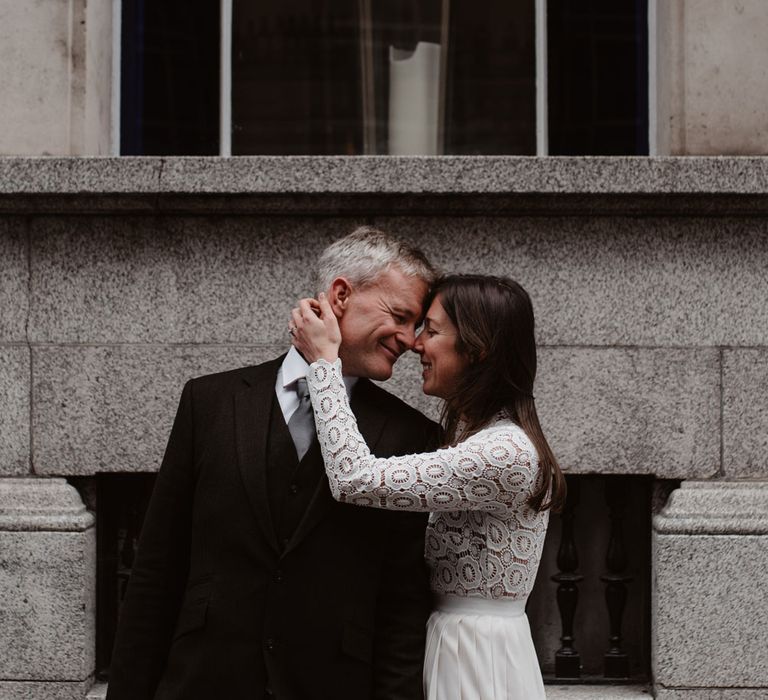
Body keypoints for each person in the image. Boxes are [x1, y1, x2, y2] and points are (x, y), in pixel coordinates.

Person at [106, 227, 441, 700]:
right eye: (401, 317)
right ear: (341, 295)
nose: (410, 340)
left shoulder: (411, 434)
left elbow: (402, 607)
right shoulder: (210, 401)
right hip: (202, 683)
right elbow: (157, 568)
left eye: (418, 326)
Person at [290, 274, 566, 700]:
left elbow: (354, 478)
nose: (416, 344)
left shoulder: (503, 451)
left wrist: (326, 362)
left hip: (475, 655)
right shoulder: (478, 436)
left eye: (431, 331)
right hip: (454, 640)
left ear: (478, 348)